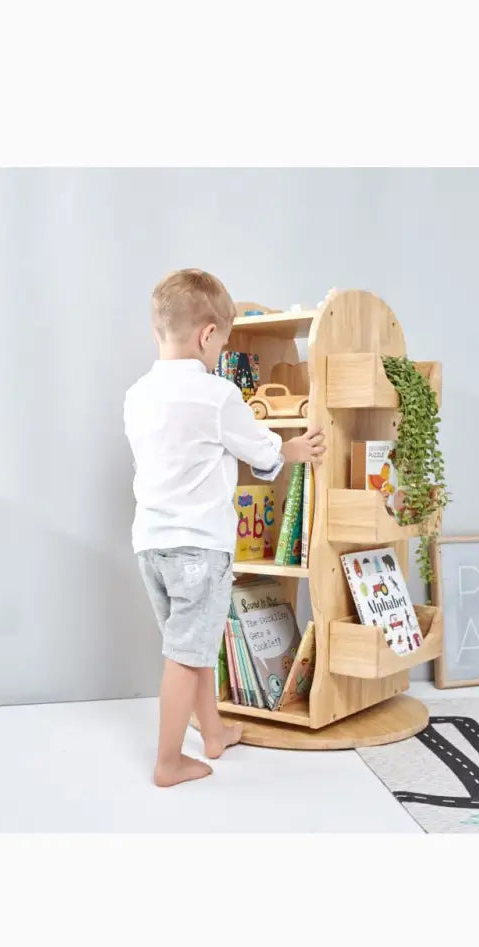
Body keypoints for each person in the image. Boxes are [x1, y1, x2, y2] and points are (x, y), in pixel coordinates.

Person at [124, 269, 325, 787]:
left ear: (157, 332)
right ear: (207, 335)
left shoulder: (137, 395)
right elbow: (260, 450)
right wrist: (293, 449)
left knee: (193, 644)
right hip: (199, 549)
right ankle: (168, 762)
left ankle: (212, 733)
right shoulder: (216, 395)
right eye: (222, 346)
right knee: (185, 658)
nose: (219, 356)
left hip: (151, 545)